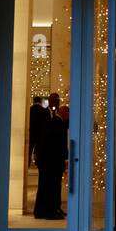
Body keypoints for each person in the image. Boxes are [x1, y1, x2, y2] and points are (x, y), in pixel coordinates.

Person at [32, 91, 68, 220]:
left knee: (49, 186)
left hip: (47, 159)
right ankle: (48, 210)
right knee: (48, 186)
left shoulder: (58, 122)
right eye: (54, 100)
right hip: (49, 160)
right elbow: (41, 137)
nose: (55, 103)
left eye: (57, 101)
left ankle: (49, 209)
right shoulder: (47, 117)